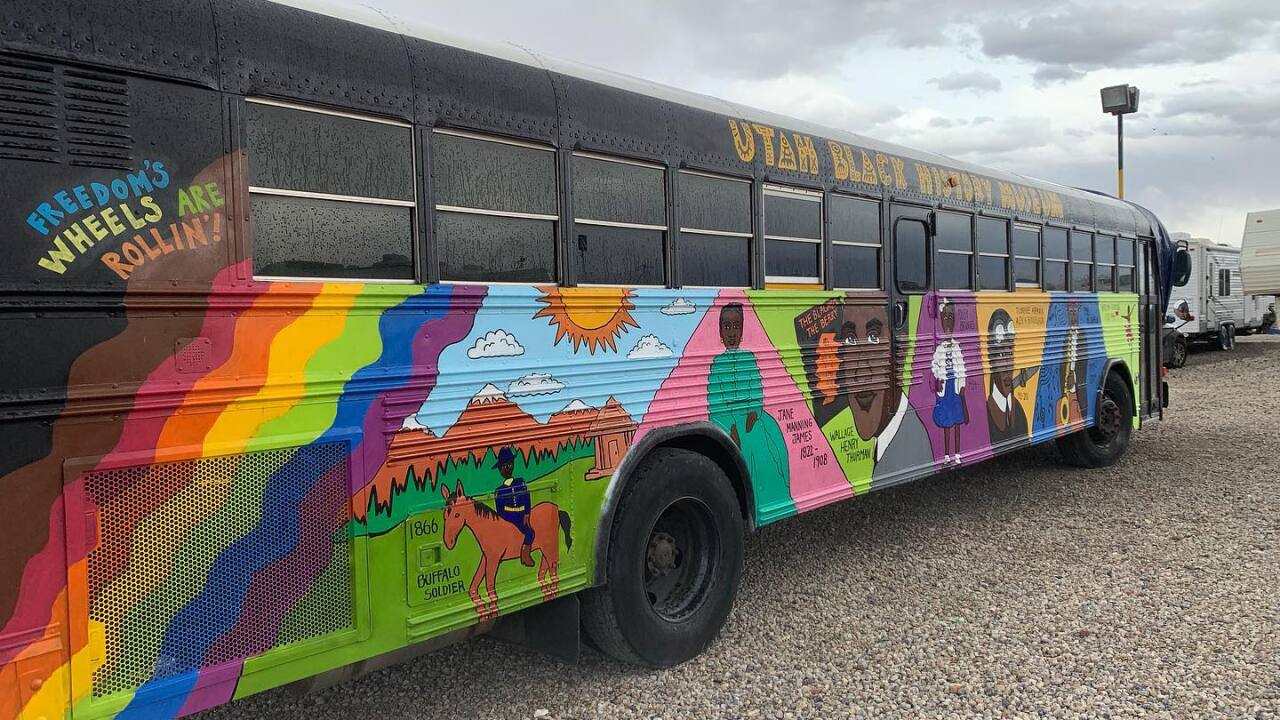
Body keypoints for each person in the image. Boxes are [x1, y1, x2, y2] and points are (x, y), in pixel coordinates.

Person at [707, 303, 792, 513]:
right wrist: (730, 425)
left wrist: (753, 413)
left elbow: (757, 390)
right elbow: (714, 401)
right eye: (726, 327)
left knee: (767, 442)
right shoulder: (717, 363)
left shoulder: (749, 358)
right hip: (728, 418)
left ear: (743, 330)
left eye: (736, 326)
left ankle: (774, 496)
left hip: (753, 416)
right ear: (720, 332)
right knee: (744, 445)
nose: (732, 332)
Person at [930, 298, 968, 464]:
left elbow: (962, 367)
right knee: (946, 422)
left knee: (958, 421)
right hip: (945, 388)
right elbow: (934, 365)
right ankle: (946, 455)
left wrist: (963, 387)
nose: (948, 322)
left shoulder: (957, 346)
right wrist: (938, 378)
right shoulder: (939, 349)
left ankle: (958, 454)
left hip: (955, 389)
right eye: (945, 318)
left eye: (951, 318)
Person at [986, 309, 1031, 445]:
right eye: (1001, 356)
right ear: (991, 360)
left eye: (1010, 355)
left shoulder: (1020, 414)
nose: (1007, 367)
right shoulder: (984, 414)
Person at [492, 447, 535, 567]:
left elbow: (526, 497)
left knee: (530, 532)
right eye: (504, 466)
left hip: (521, 515)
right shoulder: (499, 491)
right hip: (509, 517)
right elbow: (499, 510)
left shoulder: (520, 482)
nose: (507, 468)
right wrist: (504, 521)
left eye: (510, 464)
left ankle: (525, 555)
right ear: (500, 469)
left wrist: (527, 513)